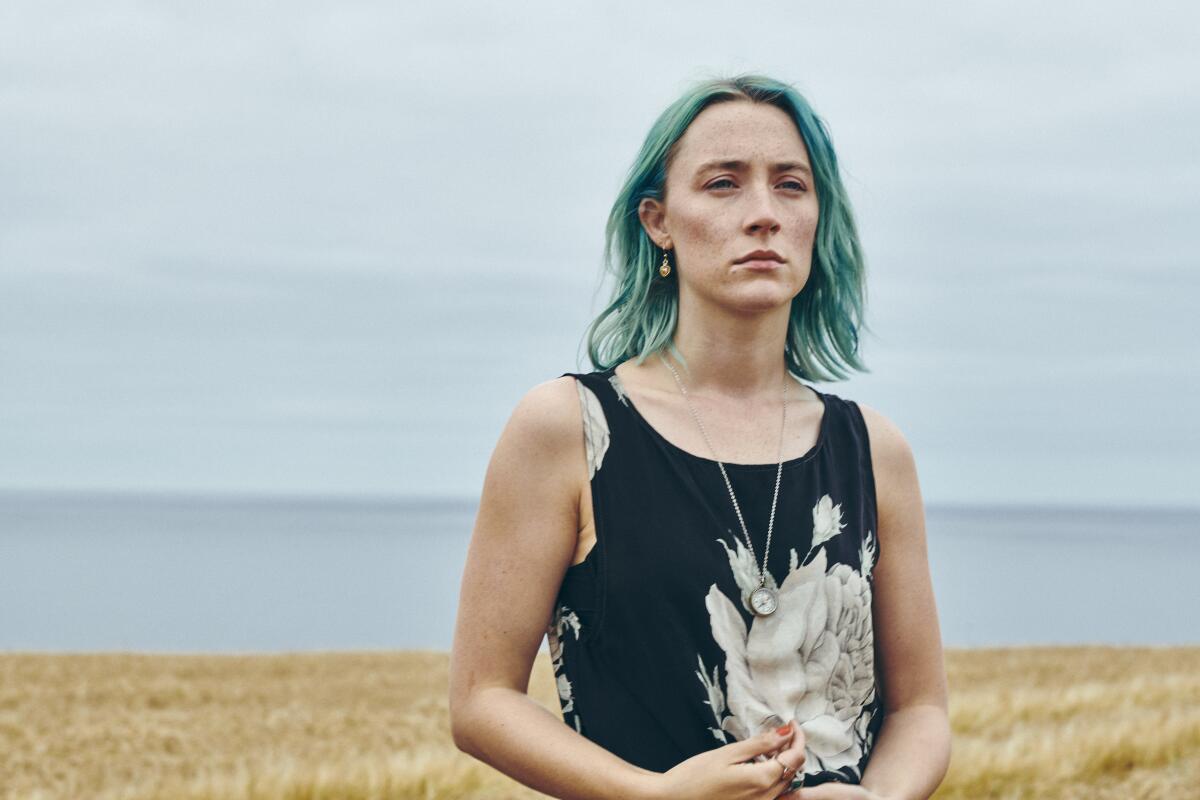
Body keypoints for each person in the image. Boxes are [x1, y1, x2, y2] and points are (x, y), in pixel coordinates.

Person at [448, 73, 951, 800]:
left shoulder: (874, 450)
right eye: (723, 184)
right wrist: (650, 797)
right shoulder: (568, 429)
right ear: (658, 221)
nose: (763, 214)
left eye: (790, 186)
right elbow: (480, 700)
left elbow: (922, 710)